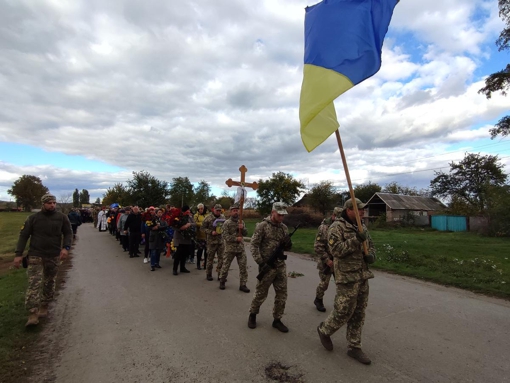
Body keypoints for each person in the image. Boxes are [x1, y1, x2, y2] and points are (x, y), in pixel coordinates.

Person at [316, 198, 376, 365]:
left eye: (363, 209)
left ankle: (354, 346)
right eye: (359, 209)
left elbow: (371, 245)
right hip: (346, 276)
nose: (362, 212)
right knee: (343, 310)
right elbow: (336, 250)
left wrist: (371, 255)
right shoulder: (337, 227)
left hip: (362, 275)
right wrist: (356, 240)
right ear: (349, 210)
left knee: (359, 312)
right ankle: (324, 330)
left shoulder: (361, 226)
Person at [13, 194, 73, 327]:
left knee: (49, 281)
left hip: (53, 254)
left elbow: (68, 233)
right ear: (43, 204)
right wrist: (18, 254)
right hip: (36, 254)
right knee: (34, 283)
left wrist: (66, 248)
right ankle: (33, 313)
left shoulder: (61, 218)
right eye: (49, 203)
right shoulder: (33, 218)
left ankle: (44, 305)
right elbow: (24, 236)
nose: (52, 205)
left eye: (54, 203)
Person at [248, 202, 292, 333]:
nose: (281, 217)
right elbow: (253, 245)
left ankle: (277, 319)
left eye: (283, 215)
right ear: (273, 212)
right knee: (261, 293)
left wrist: (289, 244)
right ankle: (253, 315)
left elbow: (287, 248)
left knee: (282, 294)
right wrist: (260, 262)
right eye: (279, 215)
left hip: (280, 266)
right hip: (266, 266)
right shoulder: (262, 226)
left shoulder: (283, 228)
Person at [313, 207, 342, 312]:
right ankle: (318, 299)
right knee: (324, 283)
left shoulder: (342, 227)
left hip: (338, 261)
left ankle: (340, 305)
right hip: (326, 261)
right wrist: (327, 260)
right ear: (333, 216)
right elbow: (318, 246)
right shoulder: (324, 228)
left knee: (342, 284)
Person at [219, 203, 250, 293]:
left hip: (240, 249)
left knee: (243, 267)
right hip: (230, 249)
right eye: (234, 211)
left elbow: (245, 233)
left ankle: (243, 284)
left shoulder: (241, 222)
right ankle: (222, 280)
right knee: (226, 266)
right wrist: (235, 238)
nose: (236, 212)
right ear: (230, 212)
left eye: (237, 210)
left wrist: (242, 228)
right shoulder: (227, 223)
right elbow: (225, 236)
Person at [202, 204, 226, 281]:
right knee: (210, 259)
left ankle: (220, 275)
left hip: (220, 241)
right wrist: (210, 232)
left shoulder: (222, 217)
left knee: (221, 259)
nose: (218, 212)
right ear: (214, 210)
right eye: (217, 210)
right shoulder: (208, 218)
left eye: (220, 210)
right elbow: (202, 228)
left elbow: (225, 227)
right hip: (211, 242)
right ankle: (209, 274)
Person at [171, 205, 196, 275]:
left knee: (185, 254)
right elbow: (174, 226)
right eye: (187, 210)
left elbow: (194, 224)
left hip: (187, 238)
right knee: (178, 254)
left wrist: (189, 224)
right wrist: (181, 228)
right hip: (179, 238)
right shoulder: (178, 217)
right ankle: (175, 269)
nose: (189, 211)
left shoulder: (190, 217)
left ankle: (182, 267)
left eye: (189, 210)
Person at [193, 203, 208, 270]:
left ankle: (205, 264)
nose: (201, 210)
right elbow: (195, 223)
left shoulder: (207, 215)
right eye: (200, 209)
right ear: (198, 209)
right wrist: (202, 224)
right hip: (200, 236)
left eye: (202, 209)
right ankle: (198, 264)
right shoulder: (196, 215)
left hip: (207, 236)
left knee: (207, 251)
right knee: (200, 250)